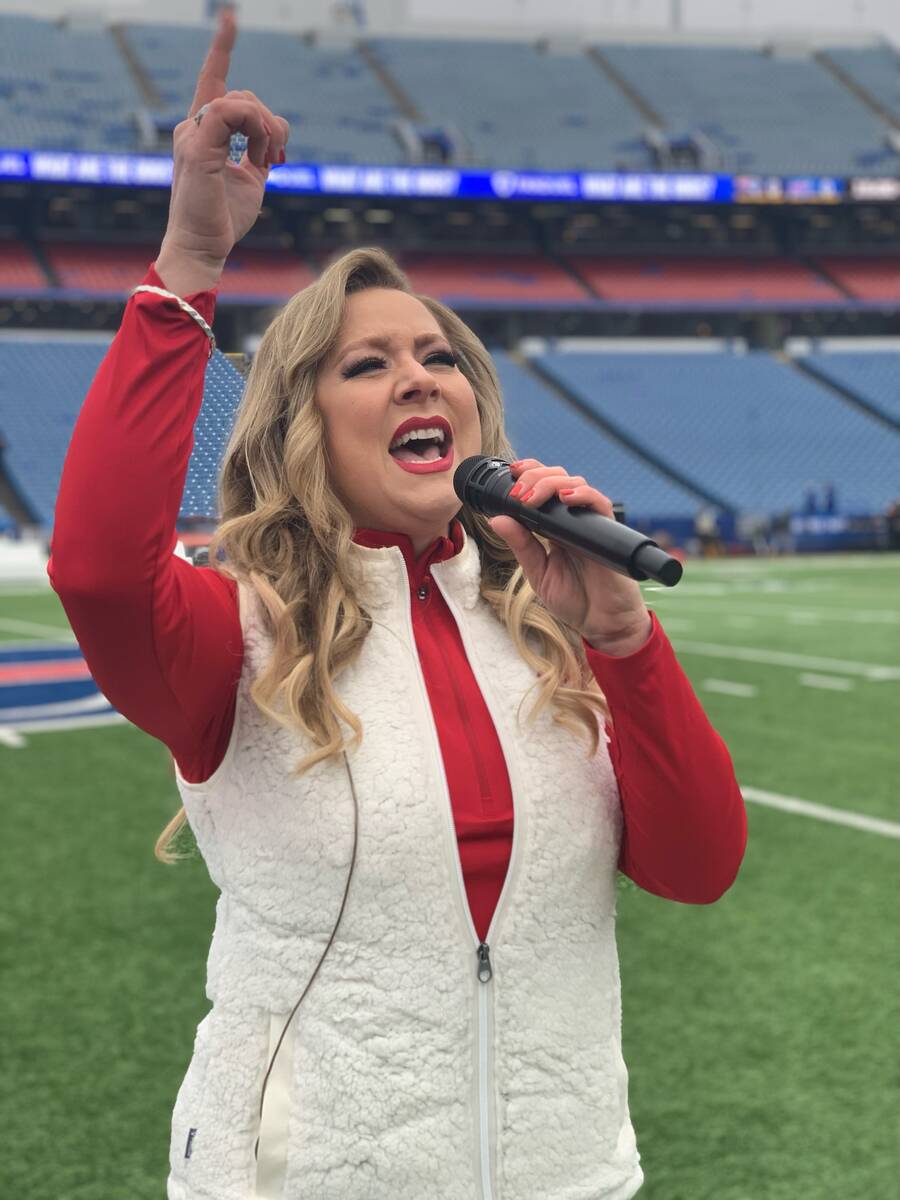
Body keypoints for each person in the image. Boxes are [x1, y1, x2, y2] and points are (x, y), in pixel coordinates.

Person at [47, 13, 747, 1199]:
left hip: (566, 1173)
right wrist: (188, 271)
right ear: (298, 428)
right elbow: (101, 571)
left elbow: (697, 867)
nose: (419, 374)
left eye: (440, 357)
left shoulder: (545, 618)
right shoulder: (237, 633)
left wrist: (624, 637)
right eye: (365, 365)